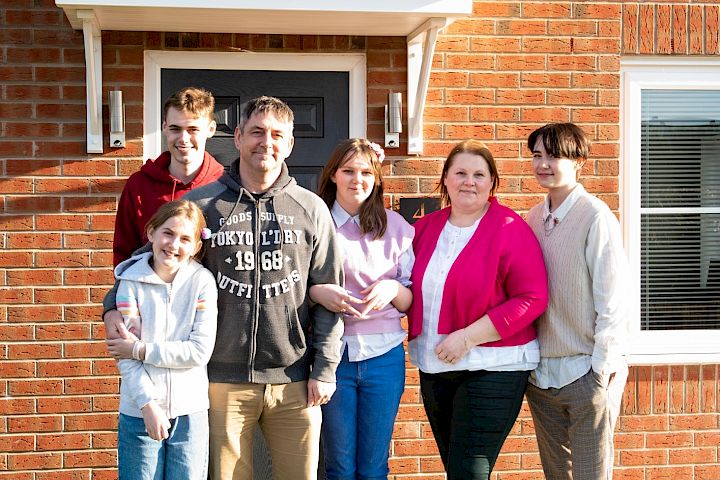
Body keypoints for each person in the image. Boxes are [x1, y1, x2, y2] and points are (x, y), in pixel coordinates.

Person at [104, 96, 343, 480]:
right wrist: (112, 304)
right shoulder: (202, 204)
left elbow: (330, 294)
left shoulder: (310, 208)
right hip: (222, 381)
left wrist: (326, 368)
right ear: (237, 138)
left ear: (290, 143)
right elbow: (146, 260)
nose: (266, 142)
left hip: (295, 379)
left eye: (277, 134)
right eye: (256, 132)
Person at [406, 139, 548, 480]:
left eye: (479, 174)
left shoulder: (510, 229)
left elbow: (532, 298)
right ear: (445, 180)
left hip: (494, 366)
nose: (469, 181)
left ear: (492, 183)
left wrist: (467, 338)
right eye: (460, 172)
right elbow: (405, 284)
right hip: (435, 366)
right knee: (457, 469)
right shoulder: (424, 229)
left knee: (469, 471)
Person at [524, 123, 630, 480]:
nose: (543, 164)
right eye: (537, 155)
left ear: (578, 160)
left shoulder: (595, 216)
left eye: (553, 156)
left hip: (585, 373)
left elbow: (613, 299)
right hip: (542, 378)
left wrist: (599, 369)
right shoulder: (534, 218)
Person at [310, 138, 414, 479]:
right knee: (338, 465)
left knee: (373, 466)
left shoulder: (397, 227)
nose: (358, 179)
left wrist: (393, 288)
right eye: (349, 171)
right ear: (333, 176)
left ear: (377, 179)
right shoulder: (315, 222)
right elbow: (293, 286)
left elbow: (410, 300)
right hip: (330, 356)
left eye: (366, 172)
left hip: (384, 356)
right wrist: (316, 293)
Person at [106, 199, 218, 480]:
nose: (173, 244)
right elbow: (124, 354)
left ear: (195, 247)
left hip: (189, 412)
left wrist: (140, 349)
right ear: (151, 233)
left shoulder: (202, 282)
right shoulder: (130, 282)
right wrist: (148, 405)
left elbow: (199, 351)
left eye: (184, 239)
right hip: (139, 411)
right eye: (168, 233)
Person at [112, 86, 224, 267]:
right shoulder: (139, 185)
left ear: (210, 129)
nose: (183, 138)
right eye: (175, 128)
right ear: (164, 127)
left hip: (208, 294)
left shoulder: (225, 186)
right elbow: (124, 253)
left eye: (193, 129)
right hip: (149, 292)